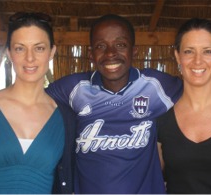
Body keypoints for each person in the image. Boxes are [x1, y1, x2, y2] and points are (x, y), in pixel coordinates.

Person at [46, 14, 183, 194]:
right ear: (91, 55)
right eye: (101, 46)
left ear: (134, 51)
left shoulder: (155, 86)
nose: (110, 53)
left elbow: (197, 96)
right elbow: (33, 102)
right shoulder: (74, 89)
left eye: (120, 45)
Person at [0, 12, 76, 194]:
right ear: (9, 53)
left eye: (39, 48)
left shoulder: (66, 118)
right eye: (20, 48)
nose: (30, 58)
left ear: (52, 52)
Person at [157, 18, 211, 194]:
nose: (198, 61)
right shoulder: (162, 115)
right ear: (177, 55)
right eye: (189, 51)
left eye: (207, 51)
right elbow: (152, 180)